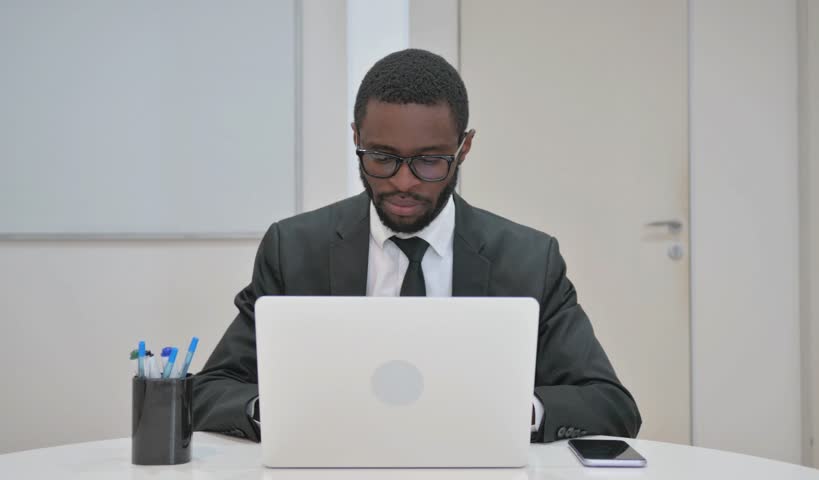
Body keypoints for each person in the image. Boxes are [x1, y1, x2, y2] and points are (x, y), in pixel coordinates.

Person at [192, 48, 641, 443]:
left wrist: (511, 413)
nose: (403, 183)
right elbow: (211, 390)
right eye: (382, 158)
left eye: (429, 161)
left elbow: (610, 405)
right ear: (356, 140)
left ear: (464, 149)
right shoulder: (293, 247)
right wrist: (279, 411)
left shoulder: (528, 259)